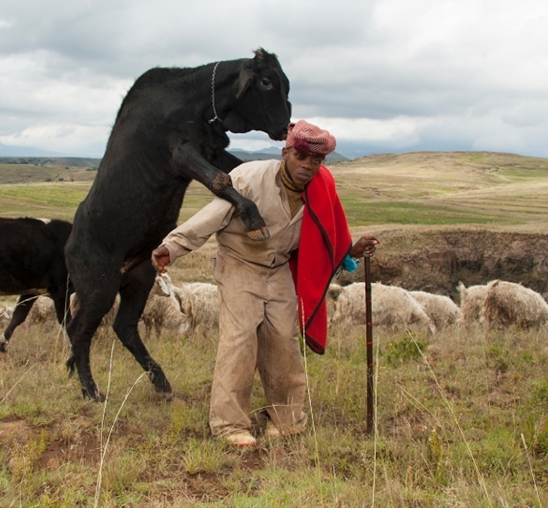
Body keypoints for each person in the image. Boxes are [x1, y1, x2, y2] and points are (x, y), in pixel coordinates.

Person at [151, 120, 379, 447]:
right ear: (286, 152)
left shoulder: (321, 187)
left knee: (283, 340)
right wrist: (172, 247)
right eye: (302, 157)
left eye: (316, 161)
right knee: (240, 338)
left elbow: (322, 235)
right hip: (239, 263)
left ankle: (287, 419)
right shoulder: (250, 177)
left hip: (279, 268)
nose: (308, 166)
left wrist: (351, 249)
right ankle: (230, 425)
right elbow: (212, 215)